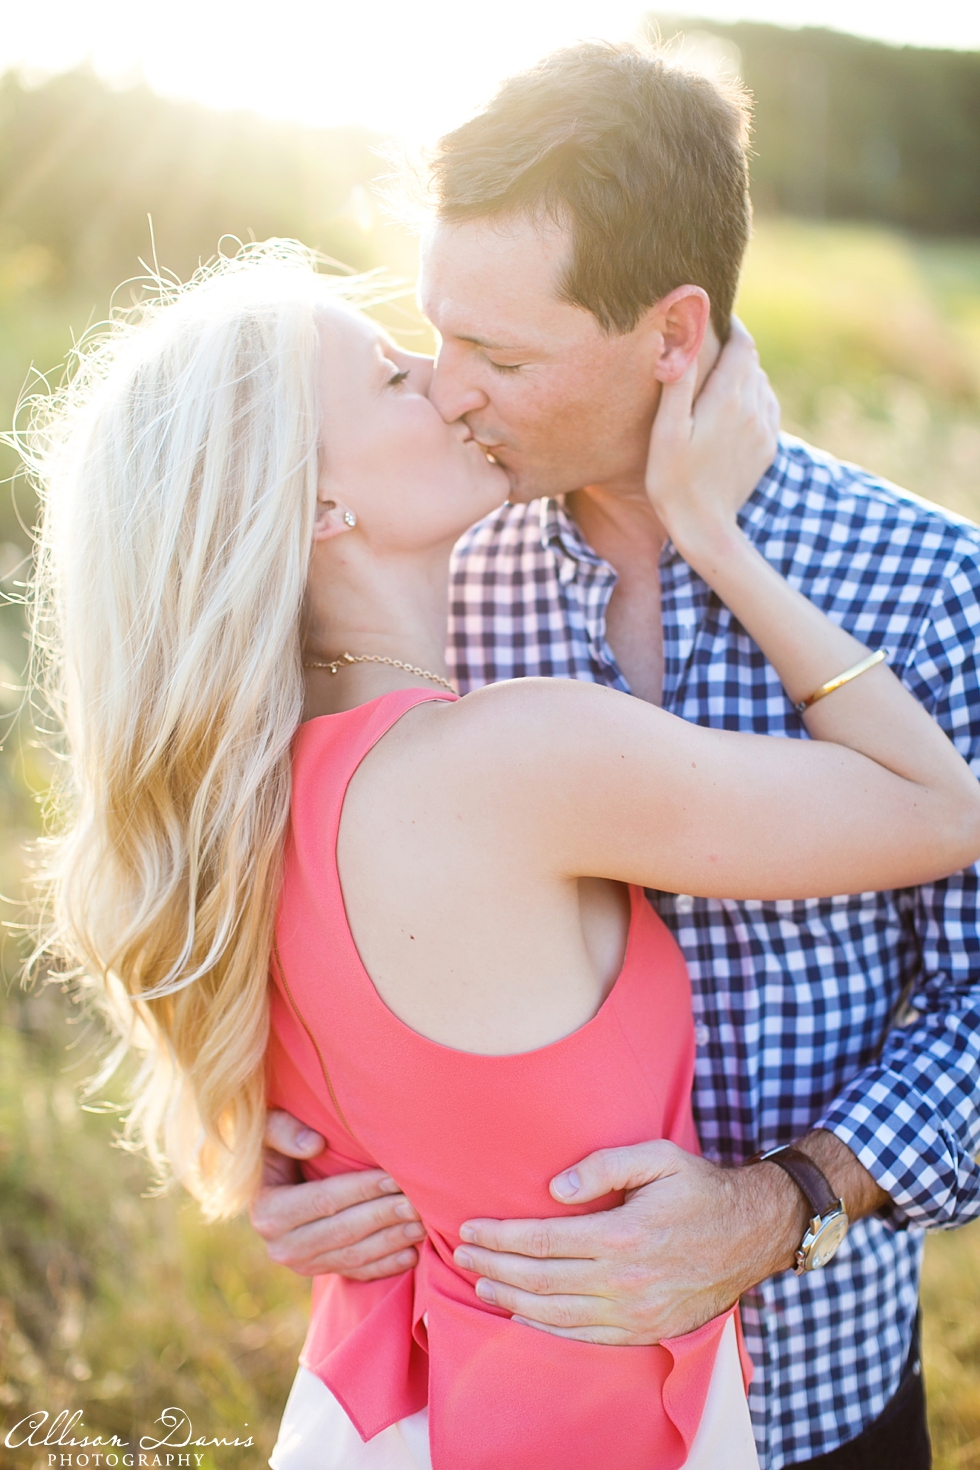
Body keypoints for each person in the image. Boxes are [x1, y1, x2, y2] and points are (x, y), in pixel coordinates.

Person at [23, 240, 980, 1468]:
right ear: (320, 507)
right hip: (602, 1428)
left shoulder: (251, 796)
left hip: (410, 1421)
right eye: (387, 378)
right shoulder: (512, 756)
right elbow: (932, 808)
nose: (443, 382)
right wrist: (711, 531)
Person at [253, 42, 980, 1470]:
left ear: (671, 333)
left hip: (820, 1397)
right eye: (435, 334)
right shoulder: (427, 583)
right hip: (522, 1408)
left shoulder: (931, 586)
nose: (450, 390)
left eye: (504, 357)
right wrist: (279, 1159)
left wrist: (782, 1201)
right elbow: (309, 911)